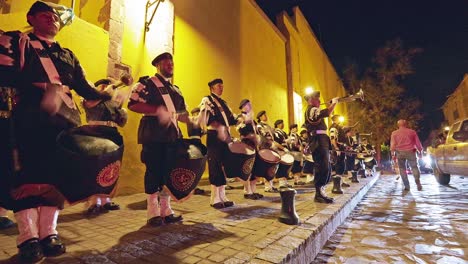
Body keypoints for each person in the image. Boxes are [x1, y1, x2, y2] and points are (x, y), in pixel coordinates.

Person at [0, 2, 113, 262]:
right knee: (26, 177)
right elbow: (4, 73)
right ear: (31, 19)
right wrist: (41, 89)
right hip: (29, 117)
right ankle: (27, 237)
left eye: (55, 17)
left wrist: (107, 96)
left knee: (57, 176)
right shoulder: (18, 42)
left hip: (65, 121)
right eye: (44, 16)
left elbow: (84, 87)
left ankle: (49, 233)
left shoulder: (68, 54)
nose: (52, 20)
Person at [128, 52, 189, 226]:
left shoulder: (176, 90)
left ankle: (166, 210)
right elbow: (132, 103)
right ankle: (152, 212)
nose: (170, 64)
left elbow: (182, 114)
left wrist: (194, 120)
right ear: (158, 65)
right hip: (153, 135)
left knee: (169, 174)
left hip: (172, 136)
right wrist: (157, 110)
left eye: (172, 62)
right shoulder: (147, 83)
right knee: (153, 171)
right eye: (166, 62)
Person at [198, 78, 238, 209]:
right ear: (212, 88)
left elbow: (231, 119)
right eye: (219, 86)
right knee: (215, 164)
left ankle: (223, 195)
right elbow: (205, 117)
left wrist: (240, 118)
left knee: (223, 165)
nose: (221, 88)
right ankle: (214, 197)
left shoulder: (224, 103)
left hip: (225, 136)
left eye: (222, 86)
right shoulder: (207, 100)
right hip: (214, 136)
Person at [303, 91, 339, 203]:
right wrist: (334, 104)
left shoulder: (314, 109)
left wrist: (330, 104)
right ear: (310, 100)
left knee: (325, 165)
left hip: (321, 138)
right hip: (318, 140)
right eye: (316, 98)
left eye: (319, 98)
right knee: (321, 165)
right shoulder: (311, 109)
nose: (319, 100)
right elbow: (327, 112)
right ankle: (319, 193)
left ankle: (321, 191)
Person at [237, 99, 263, 200]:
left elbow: (257, 131)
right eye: (248, 105)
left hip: (254, 145)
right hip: (246, 144)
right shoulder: (240, 117)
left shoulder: (252, 119)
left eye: (250, 104)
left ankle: (253, 190)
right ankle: (247, 191)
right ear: (243, 106)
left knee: (255, 168)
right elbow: (241, 129)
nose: (250, 106)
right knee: (248, 167)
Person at [390, 119, 423, 191]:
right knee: (414, 167)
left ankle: (407, 186)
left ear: (398, 125)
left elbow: (393, 145)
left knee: (402, 169)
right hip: (411, 151)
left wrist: (393, 154)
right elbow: (417, 142)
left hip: (399, 152)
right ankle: (417, 181)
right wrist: (420, 151)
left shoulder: (394, 133)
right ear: (406, 124)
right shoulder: (412, 132)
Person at [256, 110, 280, 192]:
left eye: (266, 115)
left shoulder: (268, 126)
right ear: (260, 117)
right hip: (265, 146)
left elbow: (273, 135)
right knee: (267, 166)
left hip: (271, 146)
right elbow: (263, 136)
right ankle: (267, 186)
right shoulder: (259, 126)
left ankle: (271, 185)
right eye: (264, 115)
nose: (266, 116)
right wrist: (270, 143)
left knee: (272, 166)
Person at [187, 107, 206, 195]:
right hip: (194, 143)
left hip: (197, 142)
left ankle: (194, 186)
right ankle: (192, 188)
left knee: (198, 166)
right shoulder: (191, 120)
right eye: (197, 113)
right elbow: (193, 133)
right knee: (195, 166)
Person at [329, 115, 351, 188]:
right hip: (337, 147)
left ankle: (341, 181)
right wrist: (336, 148)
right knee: (338, 164)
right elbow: (332, 139)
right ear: (335, 119)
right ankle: (337, 183)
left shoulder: (339, 127)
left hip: (341, 146)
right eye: (338, 119)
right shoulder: (333, 127)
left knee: (342, 164)